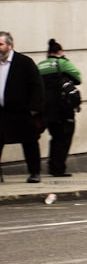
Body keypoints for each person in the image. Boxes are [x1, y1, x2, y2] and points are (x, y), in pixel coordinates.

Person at [0, 31, 44, 183]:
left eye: (1, 44)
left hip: (22, 112)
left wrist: (34, 109)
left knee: (29, 142)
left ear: (10, 45)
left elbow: (37, 86)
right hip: (1, 112)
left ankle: (34, 173)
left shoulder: (24, 62)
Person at [37, 38, 82, 177]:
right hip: (63, 108)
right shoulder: (62, 63)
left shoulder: (40, 65)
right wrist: (64, 60)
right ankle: (58, 168)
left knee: (55, 137)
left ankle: (53, 166)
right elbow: (78, 78)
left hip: (47, 109)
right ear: (59, 52)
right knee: (64, 138)